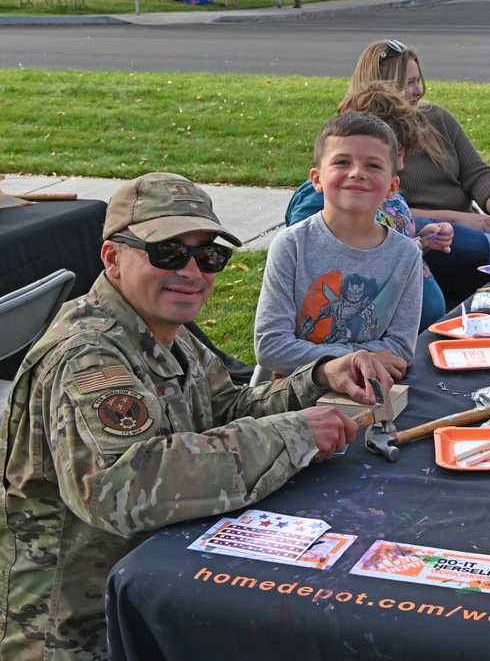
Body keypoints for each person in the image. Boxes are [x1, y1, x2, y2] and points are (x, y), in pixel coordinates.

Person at [0, 171, 392, 660]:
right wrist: (292, 433)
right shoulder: (88, 356)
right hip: (78, 631)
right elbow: (122, 487)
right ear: (112, 258)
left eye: (209, 255)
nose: (191, 272)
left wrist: (315, 379)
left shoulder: (163, 327)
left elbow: (223, 409)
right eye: (168, 252)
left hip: (151, 587)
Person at [350, 39, 490, 301]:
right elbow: (387, 211)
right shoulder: (364, 139)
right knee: (441, 232)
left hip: (477, 231)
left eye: (418, 81)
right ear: (382, 88)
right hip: (437, 241)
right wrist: (459, 218)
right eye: (409, 83)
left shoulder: (436, 117)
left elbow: (479, 175)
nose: (418, 91)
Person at [255, 111, 423, 377]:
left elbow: (400, 348)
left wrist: (356, 362)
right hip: (292, 397)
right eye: (342, 162)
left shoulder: (406, 255)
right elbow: (271, 347)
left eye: (373, 165)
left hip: (369, 392)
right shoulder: (291, 246)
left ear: (392, 187)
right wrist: (358, 358)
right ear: (317, 179)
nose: (357, 173)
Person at [285, 81, 455, 332]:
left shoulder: (390, 195)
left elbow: (391, 240)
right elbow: (315, 255)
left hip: (405, 334)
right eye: (398, 150)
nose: (403, 161)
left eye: (375, 163)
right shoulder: (318, 204)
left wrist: (421, 242)